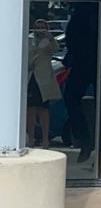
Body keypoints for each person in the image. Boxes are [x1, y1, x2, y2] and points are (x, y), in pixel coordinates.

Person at [63, 0, 99, 163]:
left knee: (71, 97)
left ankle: (86, 141)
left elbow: (73, 34)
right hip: (92, 60)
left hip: (85, 61)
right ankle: (88, 140)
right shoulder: (92, 5)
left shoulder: (87, 5)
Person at [26, 19, 62, 149]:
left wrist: (50, 38)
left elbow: (56, 48)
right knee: (30, 110)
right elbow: (27, 57)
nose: (40, 30)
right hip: (31, 77)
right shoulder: (29, 39)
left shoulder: (48, 41)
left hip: (44, 78)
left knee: (43, 110)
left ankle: (46, 139)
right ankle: (31, 138)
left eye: (43, 28)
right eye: (38, 27)